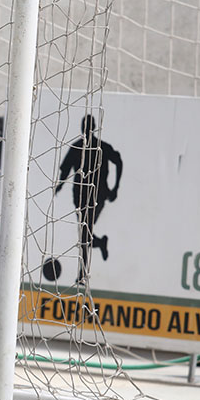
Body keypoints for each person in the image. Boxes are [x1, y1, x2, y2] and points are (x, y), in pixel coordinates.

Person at [55, 114, 123, 283]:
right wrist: (60, 185)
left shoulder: (102, 147)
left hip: (98, 195)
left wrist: (116, 187)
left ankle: (82, 273)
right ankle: (99, 243)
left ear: (92, 128)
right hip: (79, 196)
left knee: (85, 233)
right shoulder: (76, 148)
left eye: (88, 126)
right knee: (85, 234)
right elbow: (66, 169)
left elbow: (118, 160)